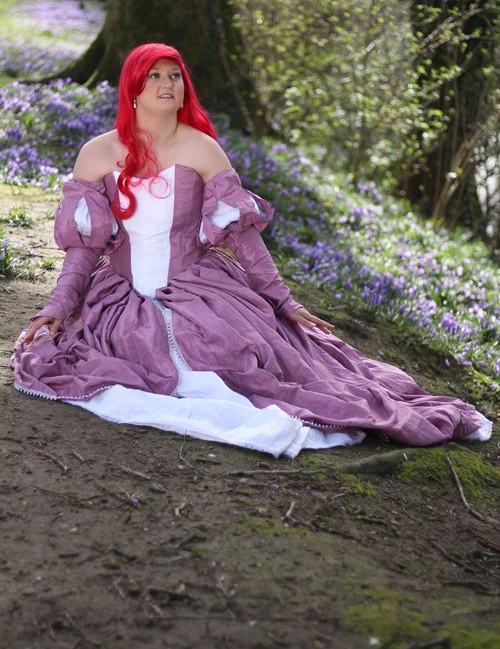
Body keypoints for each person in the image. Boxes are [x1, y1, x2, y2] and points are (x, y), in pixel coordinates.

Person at [12, 43, 491, 457]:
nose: (167, 84)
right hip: (121, 296)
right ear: (132, 88)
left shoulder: (203, 150)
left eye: (175, 75)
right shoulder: (97, 153)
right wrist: (57, 308)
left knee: (240, 359)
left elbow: (244, 238)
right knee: (109, 354)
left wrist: (285, 303)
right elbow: (84, 248)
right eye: (154, 76)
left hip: (197, 288)